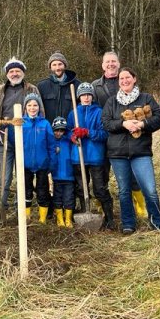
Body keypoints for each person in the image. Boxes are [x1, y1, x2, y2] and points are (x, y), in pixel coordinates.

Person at [102, 67, 160, 234]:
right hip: (118, 153)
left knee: (149, 189)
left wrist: (142, 124)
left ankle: (157, 223)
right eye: (121, 79)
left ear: (134, 78)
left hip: (141, 152)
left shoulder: (146, 99)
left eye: (127, 77)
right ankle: (128, 223)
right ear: (119, 82)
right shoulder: (112, 102)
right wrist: (123, 124)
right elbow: (106, 123)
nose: (124, 81)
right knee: (124, 190)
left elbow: (159, 118)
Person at [93, 51, 147, 219]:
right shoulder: (95, 86)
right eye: (107, 62)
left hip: (126, 135)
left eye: (113, 61)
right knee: (101, 173)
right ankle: (103, 205)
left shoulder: (125, 81)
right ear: (102, 65)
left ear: (118, 63)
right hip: (103, 134)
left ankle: (140, 203)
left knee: (130, 173)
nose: (110, 64)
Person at [0, 57, 39, 212]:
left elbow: (40, 113)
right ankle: (0, 210)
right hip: (4, 139)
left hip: (26, 140)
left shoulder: (32, 90)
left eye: (17, 71)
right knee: (4, 177)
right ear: (7, 74)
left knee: (22, 176)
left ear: (23, 72)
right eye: (11, 71)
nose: (14, 74)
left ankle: (20, 210)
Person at [67, 82, 114, 230]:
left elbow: (105, 134)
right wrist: (72, 136)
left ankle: (109, 218)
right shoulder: (73, 113)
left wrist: (87, 132)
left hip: (95, 156)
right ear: (78, 97)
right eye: (83, 95)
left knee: (100, 188)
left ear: (92, 96)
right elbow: (68, 130)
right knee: (81, 187)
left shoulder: (99, 112)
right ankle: (83, 212)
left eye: (88, 95)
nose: (86, 98)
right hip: (77, 156)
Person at [21, 93, 54, 223]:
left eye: (35, 105)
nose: (32, 108)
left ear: (39, 107)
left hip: (42, 164)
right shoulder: (21, 123)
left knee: (42, 190)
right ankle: (26, 217)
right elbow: (14, 141)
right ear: (25, 107)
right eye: (29, 105)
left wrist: (51, 162)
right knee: (26, 191)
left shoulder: (45, 124)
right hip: (25, 163)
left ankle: (42, 219)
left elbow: (51, 144)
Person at [51, 117, 75, 228]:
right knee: (57, 198)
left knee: (69, 198)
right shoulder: (51, 142)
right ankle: (60, 220)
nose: (59, 133)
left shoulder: (69, 141)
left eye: (61, 131)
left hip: (69, 176)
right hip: (55, 177)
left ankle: (68, 219)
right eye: (56, 130)